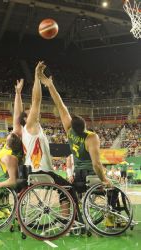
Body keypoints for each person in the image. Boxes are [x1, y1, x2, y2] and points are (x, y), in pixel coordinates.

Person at [13, 62, 78, 216]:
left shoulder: (25, 129)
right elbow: (36, 101)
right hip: (41, 172)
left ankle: (19, 218)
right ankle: (67, 221)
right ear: (27, 119)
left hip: (31, 172)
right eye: (30, 113)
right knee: (68, 190)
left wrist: (18, 94)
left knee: (64, 186)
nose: (34, 112)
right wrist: (36, 76)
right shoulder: (30, 126)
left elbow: (17, 116)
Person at [38, 63, 112, 198]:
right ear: (84, 125)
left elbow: (60, 105)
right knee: (112, 190)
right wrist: (104, 180)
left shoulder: (69, 131)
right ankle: (111, 218)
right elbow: (96, 164)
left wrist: (50, 85)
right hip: (90, 175)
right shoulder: (92, 137)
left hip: (78, 175)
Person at [0, 79, 25, 190]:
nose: (11, 132)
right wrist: (18, 94)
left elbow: (17, 115)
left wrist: (18, 93)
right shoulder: (18, 139)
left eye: (10, 133)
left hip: (10, 176)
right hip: (11, 171)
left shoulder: (9, 156)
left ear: (8, 144)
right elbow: (18, 114)